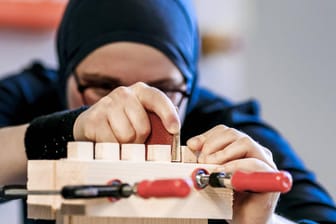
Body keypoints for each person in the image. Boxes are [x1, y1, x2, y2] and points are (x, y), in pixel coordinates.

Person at [0, 0, 335, 223]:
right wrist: (66, 129)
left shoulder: (224, 128)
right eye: (103, 87)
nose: (134, 111)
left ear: (190, 82)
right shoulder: (29, 95)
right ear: (66, 71)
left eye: (163, 90)